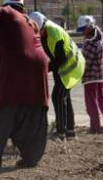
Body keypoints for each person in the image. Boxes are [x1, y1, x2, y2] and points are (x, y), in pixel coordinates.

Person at [0, 0, 50, 168]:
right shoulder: (31, 23)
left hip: (18, 64)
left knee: (5, 107)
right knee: (34, 110)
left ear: (9, 6)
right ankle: (30, 158)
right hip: (39, 66)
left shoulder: (6, 12)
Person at [29, 11, 84, 140]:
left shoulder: (52, 32)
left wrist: (44, 69)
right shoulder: (46, 31)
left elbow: (61, 58)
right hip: (68, 67)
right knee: (64, 98)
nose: (38, 34)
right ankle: (70, 131)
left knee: (57, 96)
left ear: (42, 26)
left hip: (70, 67)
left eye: (38, 31)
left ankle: (60, 133)